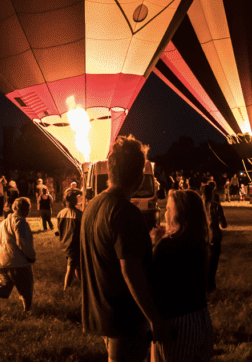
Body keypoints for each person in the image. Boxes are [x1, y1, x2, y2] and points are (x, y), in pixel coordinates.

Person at [81, 135, 171, 361]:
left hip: (100, 311)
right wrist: (154, 319)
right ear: (140, 175)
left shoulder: (92, 207)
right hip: (124, 318)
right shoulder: (126, 212)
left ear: (110, 170)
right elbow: (130, 270)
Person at [149, 189, 213, 362]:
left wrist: (154, 246)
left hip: (175, 322)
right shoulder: (200, 244)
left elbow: (152, 284)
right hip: (200, 318)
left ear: (179, 213)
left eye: (169, 208)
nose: (165, 212)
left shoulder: (165, 247)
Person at [0, 197, 36, 312]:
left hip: (2, 261)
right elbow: (22, 242)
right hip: (18, 262)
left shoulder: (4, 222)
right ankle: (27, 310)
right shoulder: (20, 222)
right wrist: (31, 256)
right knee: (26, 287)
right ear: (25, 209)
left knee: (3, 284)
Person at [201, 182, 227, 292]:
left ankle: (204, 285)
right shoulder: (216, 206)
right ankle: (210, 284)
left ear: (201, 194)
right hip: (214, 238)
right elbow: (224, 224)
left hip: (202, 238)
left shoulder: (198, 206)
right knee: (213, 263)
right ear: (211, 193)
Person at [55, 188, 83, 290]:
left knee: (77, 267)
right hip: (74, 245)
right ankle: (66, 289)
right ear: (73, 200)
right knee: (71, 268)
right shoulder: (78, 214)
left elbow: (58, 230)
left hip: (65, 244)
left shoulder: (61, 213)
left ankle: (83, 285)